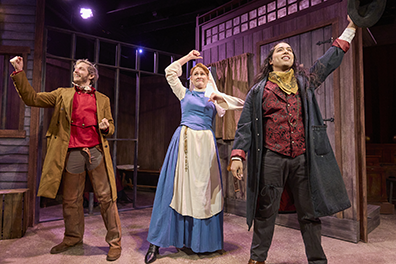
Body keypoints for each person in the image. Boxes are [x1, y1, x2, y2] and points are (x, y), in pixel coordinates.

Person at [229, 16, 358, 264]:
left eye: (289, 50)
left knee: (309, 213)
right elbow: (245, 126)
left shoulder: (304, 83)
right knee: (266, 212)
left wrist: (350, 28)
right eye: (280, 50)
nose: (286, 52)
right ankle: (257, 259)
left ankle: (317, 260)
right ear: (271, 60)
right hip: (271, 158)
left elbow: (328, 61)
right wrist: (237, 156)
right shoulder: (258, 90)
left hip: (302, 158)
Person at [10, 57, 122, 261]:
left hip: (96, 152)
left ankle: (114, 242)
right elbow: (32, 98)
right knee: (71, 200)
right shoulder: (62, 93)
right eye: (75, 68)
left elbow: (111, 126)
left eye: (81, 69)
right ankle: (72, 237)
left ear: (91, 75)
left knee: (106, 199)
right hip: (72, 153)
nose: (76, 71)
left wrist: (107, 127)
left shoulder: (103, 99)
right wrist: (19, 72)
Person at [144, 50, 244, 263]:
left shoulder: (214, 98)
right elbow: (170, 72)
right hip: (184, 143)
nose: (199, 77)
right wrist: (188, 58)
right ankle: (157, 242)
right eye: (196, 74)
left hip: (206, 147)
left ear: (209, 79)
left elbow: (240, 104)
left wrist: (220, 97)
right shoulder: (184, 94)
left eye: (203, 74)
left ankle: (202, 242)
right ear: (191, 79)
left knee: (203, 193)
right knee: (173, 190)